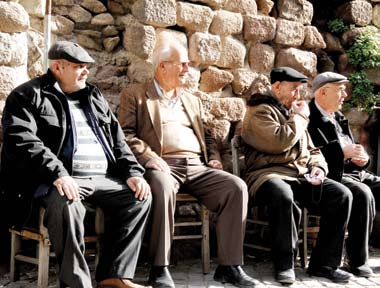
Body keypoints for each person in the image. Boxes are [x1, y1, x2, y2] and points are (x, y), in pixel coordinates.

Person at [0, 41, 152, 288]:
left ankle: (114, 276)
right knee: (68, 203)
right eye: (79, 66)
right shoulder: (27, 95)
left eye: (86, 67)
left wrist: (133, 172)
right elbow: (23, 141)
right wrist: (58, 173)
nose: (86, 72)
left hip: (102, 179)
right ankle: (76, 283)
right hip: (53, 180)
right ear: (58, 67)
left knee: (139, 197)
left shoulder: (93, 96)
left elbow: (118, 140)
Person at [118, 40, 257, 288]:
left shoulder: (191, 99)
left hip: (197, 166)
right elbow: (126, 135)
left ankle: (230, 267)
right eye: (182, 64)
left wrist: (213, 157)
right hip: (162, 165)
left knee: (235, 187)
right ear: (162, 66)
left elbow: (209, 134)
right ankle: (159, 268)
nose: (187, 69)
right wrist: (150, 157)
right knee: (160, 186)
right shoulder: (136, 95)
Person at [241, 67, 353, 284]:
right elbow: (279, 142)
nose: (298, 96)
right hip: (267, 175)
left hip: (300, 174)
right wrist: (300, 117)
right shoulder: (259, 111)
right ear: (277, 87)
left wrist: (319, 166)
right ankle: (284, 264)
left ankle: (324, 264)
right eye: (294, 90)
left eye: (300, 90)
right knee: (283, 195)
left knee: (341, 194)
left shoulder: (291, 112)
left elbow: (312, 150)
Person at [308, 71, 379, 277]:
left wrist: (363, 160)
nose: (344, 96)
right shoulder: (309, 117)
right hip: (332, 175)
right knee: (362, 193)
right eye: (340, 90)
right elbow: (311, 153)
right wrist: (341, 153)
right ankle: (357, 261)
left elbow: (352, 151)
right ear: (322, 93)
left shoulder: (338, 116)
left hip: (352, 172)